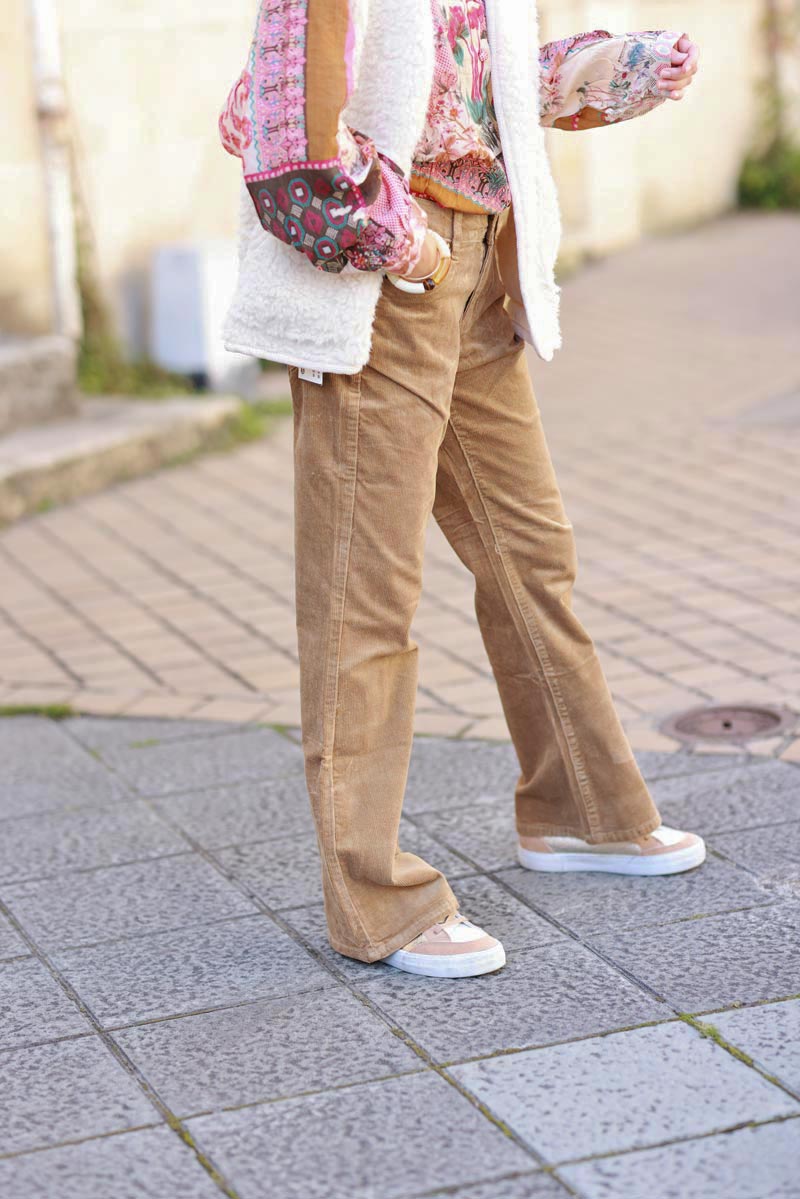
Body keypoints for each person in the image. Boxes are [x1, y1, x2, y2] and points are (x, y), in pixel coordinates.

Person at [220, 1, 704, 979]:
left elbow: (463, 79)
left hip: (485, 265)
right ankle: (377, 900)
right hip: (389, 274)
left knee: (530, 554)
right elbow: (271, 121)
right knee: (368, 597)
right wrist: (401, 241)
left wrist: (594, 72)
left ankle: (580, 810)